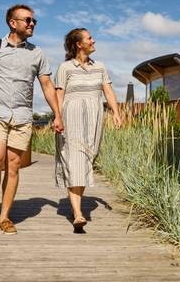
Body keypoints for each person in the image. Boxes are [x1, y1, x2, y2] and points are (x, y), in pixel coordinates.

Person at [0, 4, 64, 235]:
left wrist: (57, 114)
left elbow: (47, 86)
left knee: (13, 167)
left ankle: (4, 216)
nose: (32, 24)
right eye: (28, 20)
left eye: (34, 21)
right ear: (13, 23)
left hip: (22, 116)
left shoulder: (37, 53)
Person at [54, 28, 122, 232]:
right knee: (74, 162)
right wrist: (57, 117)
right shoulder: (65, 68)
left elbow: (107, 90)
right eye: (89, 38)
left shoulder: (100, 67)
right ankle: (78, 214)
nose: (93, 40)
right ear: (78, 44)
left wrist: (116, 112)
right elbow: (59, 94)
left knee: (84, 163)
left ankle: (77, 208)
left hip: (94, 119)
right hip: (71, 119)